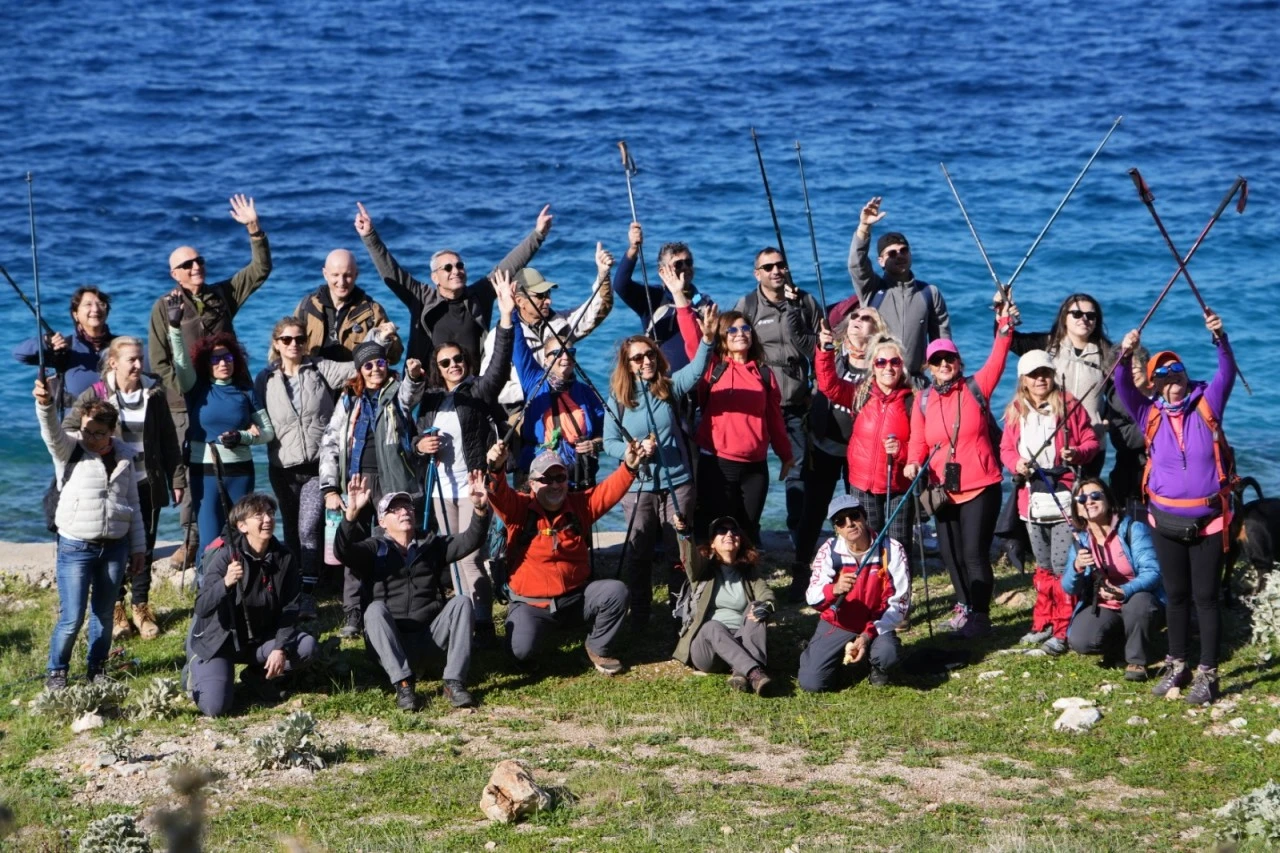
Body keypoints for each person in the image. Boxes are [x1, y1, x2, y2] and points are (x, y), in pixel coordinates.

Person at [1117, 311, 1235, 705]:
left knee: (1207, 598)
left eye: (1178, 374)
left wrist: (1220, 339)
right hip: (1164, 521)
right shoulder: (1148, 414)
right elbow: (1121, 385)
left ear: (1187, 377)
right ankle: (1177, 666)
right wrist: (1124, 353)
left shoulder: (1208, 405)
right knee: (1178, 596)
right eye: (1164, 378)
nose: (1173, 383)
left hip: (1209, 521)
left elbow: (1227, 373)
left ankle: (1208, 674)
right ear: (1155, 385)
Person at [149, 194, 271, 568]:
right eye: (187, 264)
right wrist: (185, 389)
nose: (196, 266)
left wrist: (254, 230)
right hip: (186, 401)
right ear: (175, 274)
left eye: (199, 260)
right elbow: (159, 359)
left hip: (228, 394)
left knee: (235, 460)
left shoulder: (220, 295)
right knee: (190, 471)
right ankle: (193, 540)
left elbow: (260, 270)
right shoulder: (164, 307)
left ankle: (237, 543)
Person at [412, 269, 518, 643]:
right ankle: (463, 621)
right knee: (451, 556)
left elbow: (500, 368)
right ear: (436, 369)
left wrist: (506, 318)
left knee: (472, 557)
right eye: (445, 362)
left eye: (458, 359)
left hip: (470, 487)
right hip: (440, 493)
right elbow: (413, 439)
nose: (454, 365)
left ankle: (483, 623)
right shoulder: (429, 401)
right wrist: (419, 446)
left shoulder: (477, 391)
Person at [484, 440, 649, 675]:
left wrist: (630, 467)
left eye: (560, 478)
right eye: (545, 479)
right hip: (531, 604)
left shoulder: (580, 505)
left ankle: (597, 647)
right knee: (520, 652)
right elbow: (497, 493)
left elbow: (608, 490)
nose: (554, 485)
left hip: (575, 599)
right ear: (532, 484)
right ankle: (529, 642)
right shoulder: (518, 509)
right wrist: (495, 468)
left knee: (616, 592)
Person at [605, 290, 716, 630]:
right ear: (628, 365)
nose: (646, 361)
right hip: (637, 487)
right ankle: (639, 613)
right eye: (637, 358)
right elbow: (608, 441)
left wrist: (708, 341)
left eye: (649, 354)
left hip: (678, 483)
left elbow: (697, 369)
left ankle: (678, 612)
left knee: (677, 553)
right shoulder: (619, 399)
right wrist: (629, 452)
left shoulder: (669, 387)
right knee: (638, 554)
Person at [904, 301, 1016, 639]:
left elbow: (999, 354)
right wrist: (912, 462)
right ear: (930, 367)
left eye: (948, 359)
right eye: (937, 361)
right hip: (942, 489)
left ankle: (980, 615)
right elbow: (918, 441)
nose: (943, 365)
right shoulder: (922, 399)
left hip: (982, 484)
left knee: (973, 553)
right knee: (951, 555)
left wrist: (1004, 323)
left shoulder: (976, 387)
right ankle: (963, 606)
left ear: (958, 362)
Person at [335, 473, 490, 710]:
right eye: (394, 510)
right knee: (374, 610)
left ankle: (454, 683)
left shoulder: (431, 545)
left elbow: (470, 540)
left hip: (430, 638)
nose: (403, 511)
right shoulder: (374, 548)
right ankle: (404, 685)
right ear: (382, 522)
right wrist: (350, 518)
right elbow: (343, 552)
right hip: (391, 645)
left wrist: (479, 510)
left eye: (406, 506)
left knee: (461, 602)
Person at [65, 337, 185, 640]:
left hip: (147, 482)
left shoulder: (153, 392)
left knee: (144, 546)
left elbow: (168, 438)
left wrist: (177, 478)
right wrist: (93, 449)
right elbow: (68, 428)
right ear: (113, 362)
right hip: (113, 486)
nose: (138, 365)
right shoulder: (97, 393)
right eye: (131, 359)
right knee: (114, 545)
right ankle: (117, 608)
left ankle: (142, 608)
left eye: (140, 358)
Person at [256, 317, 376, 619]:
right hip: (281, 466)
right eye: (287, 340)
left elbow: (357, 367)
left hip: (317, 466)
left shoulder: (320, 368)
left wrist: (379, 338)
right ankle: (300, 585)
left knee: (309, 526)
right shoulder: (265, 379)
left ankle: (308, 596)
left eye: (299, 339)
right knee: (294, 530)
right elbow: (253, 413)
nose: (294, 344)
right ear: (276, 344)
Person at [35, 378, 145, 690]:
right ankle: (57, 671)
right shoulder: (70, 448)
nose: (90, 438)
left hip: (114, 548)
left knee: (104, 615)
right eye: (86, 430)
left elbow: (133, 505)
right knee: (71, 618)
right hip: (75, 546)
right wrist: (45, 403)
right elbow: (51, 431)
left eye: (98, 433)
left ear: (111, 432)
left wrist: (138, 550)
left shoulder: (124, 456)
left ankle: (97, 668)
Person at [354, 201, 552, 368]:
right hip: (429, 392)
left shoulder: (479, 295)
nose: (455, 271)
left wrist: (538, 235)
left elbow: (508, 266)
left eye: (459, 265)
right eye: (447, 268)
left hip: (472, 389)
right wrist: (370, 236)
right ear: (435, 278)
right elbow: (391, 272)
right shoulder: (421, 297)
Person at [319, 341, 425, 639]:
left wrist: (414, 376)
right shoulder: (348, 400)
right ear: (359, 370)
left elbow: (411, 394)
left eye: (380, 362)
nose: (375, 369)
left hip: (390, 481)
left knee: (385, 546)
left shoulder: (396, 392)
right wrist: (329, 488)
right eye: (368, 365)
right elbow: (329, 443)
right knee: (352, 544)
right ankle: (353, 612)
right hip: (355, 480)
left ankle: (384, 607)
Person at [999, 349, 1100, 654]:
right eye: (1033, 375)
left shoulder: (1069, 406)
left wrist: (1076, 454)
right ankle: (1042, 621)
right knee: (1042, 565)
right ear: (1024, 380)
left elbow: (1091, 442)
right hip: (1031, 500)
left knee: (1060, 565)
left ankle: (1063, 628)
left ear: (1052, 375)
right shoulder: (1016, 410)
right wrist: (1016, 462)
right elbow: (1006, 448)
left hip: (1064, 497)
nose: (1040, 379)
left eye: (1045, 373)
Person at [185, 493, 317, 717]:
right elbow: (201, 607)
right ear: (242, 526)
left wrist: (280, 648)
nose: (267, 519)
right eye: (259, 515)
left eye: (270, 513)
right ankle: (193, 669)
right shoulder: (225, 555)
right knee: (215, 707)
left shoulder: (285, 557)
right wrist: (225, 583)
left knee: (307, 648)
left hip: (259, 639)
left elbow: (290, 608)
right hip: (220, 641)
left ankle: (256, 676)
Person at [166, 294, 274, 566]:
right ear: (206, 364)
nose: (223, 363)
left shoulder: (246, 392)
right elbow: (180, 361)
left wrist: (243, 437)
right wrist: (174, 328)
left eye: (228, 357)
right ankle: (208, 591)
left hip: (240, 471)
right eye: (216, 359)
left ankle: (246, 584)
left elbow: (268, 433)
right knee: (210, 536)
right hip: (204, 471)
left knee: (244, 533)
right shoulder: (196, 389)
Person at [792, 308, 890, 599]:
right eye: (855, 318)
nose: (858, 321)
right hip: (823, 446)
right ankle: (801, 569)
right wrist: (823, 345)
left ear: (878, 329)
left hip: (861, 455)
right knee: (813, 510)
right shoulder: (832, 354)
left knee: (860, 514)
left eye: (867, 318)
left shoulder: (880, 363)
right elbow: (824, 379)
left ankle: (865, 571)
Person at [733, 247, 822, 549]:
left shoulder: (805, 301)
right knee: (751, 469)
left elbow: (822, 348)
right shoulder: (747, 306)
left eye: (780, 265)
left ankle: (799, 536)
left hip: (798, 402)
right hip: (759, 403)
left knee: (798, 471)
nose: (776, 271)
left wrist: (819, 388)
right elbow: (732, 351)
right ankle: (747, 536)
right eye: (768, 267)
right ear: (757, 273)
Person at [813, 328, 917, 586]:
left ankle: (898, 599)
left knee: (898, 546)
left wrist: (902, 451)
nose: (888, 368)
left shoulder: (912, 401)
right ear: (872, 365)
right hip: (863, 484)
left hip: (898, 486)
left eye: (894, 362)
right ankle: (872, 596)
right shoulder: (860, 393)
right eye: (881, 362)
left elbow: (921, 444)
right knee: (866, 543)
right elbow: (828, 385)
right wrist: (825, 351)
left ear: (902, 365)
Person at [692, 310, 795, 548]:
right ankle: (714, 579)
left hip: (755, 466)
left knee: (748, 528)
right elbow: (691, 341)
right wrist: (681, 299)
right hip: (717, 463)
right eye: (733, 330)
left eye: (746, 329)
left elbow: (774, 419)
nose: (741, 333)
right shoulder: (712, 369)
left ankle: (747, 577)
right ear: (722, 338)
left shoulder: (764, 373)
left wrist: (786, 455)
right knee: (716, 528)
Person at [482, 243, 615, 413]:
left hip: (564, 404)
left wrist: (603, 274)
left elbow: (597, 310)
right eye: (540, 296)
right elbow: (489, 385)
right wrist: (532, 388)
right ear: (519, 301)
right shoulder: (499, 335)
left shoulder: (560, 323)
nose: (548, 301)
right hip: (523, 410)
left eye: (548, 294)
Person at [798, 495, 911, 692]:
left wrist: (867, 634)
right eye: (840, 521)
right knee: (812, 684)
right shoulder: (828, 550)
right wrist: (833, 590)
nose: (849, 523)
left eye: (854, 515)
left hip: (876, 625)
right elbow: (812, 597)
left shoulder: (892, 549)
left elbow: (899, 604)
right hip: (838, 623)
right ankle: (820, 654)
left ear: (864, 517)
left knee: (887, 655)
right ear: (837, 528)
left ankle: (877, 665)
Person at [1061, 478, 1165, 681]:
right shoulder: (1080, 540)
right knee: (1081, 641)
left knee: (1139, 604)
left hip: (1138, 600)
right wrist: (1077, 567)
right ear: (1078, 509)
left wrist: (1124, 590)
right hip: (1105, 605)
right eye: (1081, 498)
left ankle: (1137, 660)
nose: (1088, 501)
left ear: (1108, 500)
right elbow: (1069, 587)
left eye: (1095, 496)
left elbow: (1153, 572)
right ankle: (1121, 643)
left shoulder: (1133, 529)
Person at [1001, 292, 1115, 476]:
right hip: (1051, 443)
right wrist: (1005, 315)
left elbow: (1118, 395)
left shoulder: (1106, 353)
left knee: (1085, 498)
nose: (1084, 319)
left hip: (1091, 442)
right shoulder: (1048, 344)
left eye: (1091, 315)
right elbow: (1009, 341)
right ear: (1064, 317)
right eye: (1077, 314)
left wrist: (1106, 423)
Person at [847, 196, 951, 380]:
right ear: (881, 261)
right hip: (878, 382)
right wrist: (864, 227)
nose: (899, 256)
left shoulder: (929, 293)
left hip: (915, 383)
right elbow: (857, 264)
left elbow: (942, 344)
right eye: (892, 253)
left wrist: (943, 381)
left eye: (904, 250)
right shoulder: (872, 289)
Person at [672, 515, 775, 694]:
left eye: (734, 531)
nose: (729, 534)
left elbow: (766, 594)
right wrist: (684, 532)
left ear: (740, 540)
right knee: (712, 626)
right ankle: (754, 672)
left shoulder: (749, 572)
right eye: (722, 531)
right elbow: (689, 556)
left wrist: (766, 606)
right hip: (708, 651)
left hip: (743, 641)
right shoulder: (702, 570)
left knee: (756, 606)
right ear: (712, 543)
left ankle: (740, 673)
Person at [510, 311, 606, 488]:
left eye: (570, 352)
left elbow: (606, 433)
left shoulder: (586, 393)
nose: (565, 357)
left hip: (578, 475)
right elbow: (518, 344)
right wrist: (511, 313)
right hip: (539, 473)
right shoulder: (534, 382)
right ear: (545, 360)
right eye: (557, 353)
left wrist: (594, 444)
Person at [613, 221, 713, 369]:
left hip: (700, 382)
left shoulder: (702, 301)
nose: (685, 267)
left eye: (688, 262)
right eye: (678, 264)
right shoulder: (653, 297)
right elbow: (621, 285)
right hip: (664, 383)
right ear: (662, 272)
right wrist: (633, 249)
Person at [293, 248, 404, 363]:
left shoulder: (372, 311)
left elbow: (394, 359)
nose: (341, 282)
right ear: (325, 274)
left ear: (356, 274)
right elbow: (288, 346)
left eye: (348, 275)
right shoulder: (307, 307)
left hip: (353, 380)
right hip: (314, 378)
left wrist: (388, 341)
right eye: (335, 275)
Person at [14, 286, 118, 405]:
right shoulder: (65, 348)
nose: (95, 309)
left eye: (101, 304)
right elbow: (20, 355)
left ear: (107, 312)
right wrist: (47, 342)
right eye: (88, 304)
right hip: (74, 422)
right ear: (75, 314)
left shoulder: (120, 346)